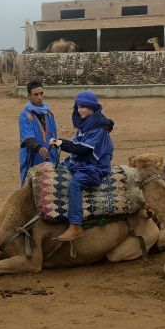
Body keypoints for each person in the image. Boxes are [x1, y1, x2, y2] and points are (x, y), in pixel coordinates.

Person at [48, 91, 114, 241]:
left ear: (92, 107)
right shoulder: (86, 126)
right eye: (78, 107)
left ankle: (76, 226)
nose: (79, 110)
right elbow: (77, 145)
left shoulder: (98, 127)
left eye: (83, 107)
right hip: (84, 162)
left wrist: (61, 144)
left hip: (95, 167)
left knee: (74, 184)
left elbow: (83, 149)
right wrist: (61, 142)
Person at [18, 80, 58, 184]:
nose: (39, 97)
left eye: (41, 93)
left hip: (50, 154)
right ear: (29, 96)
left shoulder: (49, 113)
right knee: (32, 187)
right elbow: (27, 138)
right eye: (36, 94)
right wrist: (38, 148)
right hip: (34, 156)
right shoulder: (25, 115)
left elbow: (54, 135)